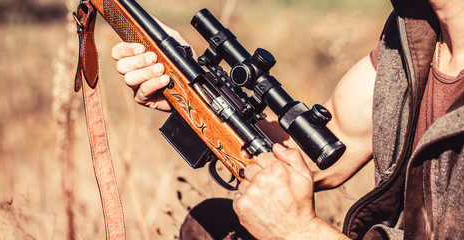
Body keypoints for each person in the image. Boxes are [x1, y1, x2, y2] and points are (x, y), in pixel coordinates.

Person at [111, 0, 464, 238]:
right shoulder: (413, 35)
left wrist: (297, 230)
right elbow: (326, 145)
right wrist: (192, 90)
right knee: (210, 225)